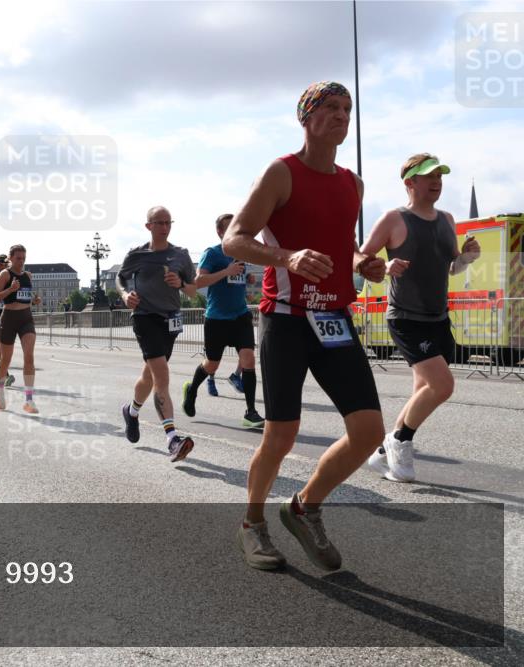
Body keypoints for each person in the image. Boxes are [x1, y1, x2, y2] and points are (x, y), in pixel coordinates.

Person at [223, 81, 387, 571]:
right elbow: (235, 239)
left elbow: (341, 244)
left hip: (335, 319)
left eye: (347, 108)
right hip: (286, 320)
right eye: (331, 108)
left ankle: (305, 507)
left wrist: (363, 262)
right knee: (282, 435)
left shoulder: (353, 183)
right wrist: (286, 256)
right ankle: (252, 523)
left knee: (367, 432)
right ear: (306, 117)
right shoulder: (281, 172)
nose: (341, 115)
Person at [361, 154, 480, 483]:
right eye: (429, 175)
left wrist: (467, 258)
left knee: (423, 391)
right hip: (406, 318)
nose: (437, 180)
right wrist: (384, 267)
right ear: (410, 182)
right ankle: (400, 441)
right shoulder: (393, 219)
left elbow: (452, 265)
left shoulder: (447, 219)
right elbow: (361, 256)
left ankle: (384, 451)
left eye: (440, 174)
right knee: (443, 386)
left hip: (438, 318)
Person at [116, 206, 198, 462]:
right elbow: (120, 277)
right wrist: (124, 294)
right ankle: (172, 439)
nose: (164, 227)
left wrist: (181, 284)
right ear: (148, 226)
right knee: (162, 375)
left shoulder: (181, 255)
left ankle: (131, 411)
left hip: (170, 321)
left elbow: (193, 291)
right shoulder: (137, 254)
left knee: (149, 376)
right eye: (159, 223)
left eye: (168, 222)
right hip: (144, 317)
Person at [182, 213, 264, 428]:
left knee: (248, 359)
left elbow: (235, 279)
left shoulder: (240, 254)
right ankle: (192, 390)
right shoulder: (212, 253)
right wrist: (226, 271)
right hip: (217, 318)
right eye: (229, 228)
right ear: (220, 232)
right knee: (212, 364)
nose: (235, 231)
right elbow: (198, 282)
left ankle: (251, 413)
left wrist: (247, 278)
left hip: (240, 315)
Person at [0, 244, 42, 413]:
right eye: (18, 258)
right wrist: (10, 289)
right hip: (9, 319)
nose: (21, 262)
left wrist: (34, 300)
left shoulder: (28, 275)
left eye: (24, 258)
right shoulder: (5, 274)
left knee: (29, 356)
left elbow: (26, 297)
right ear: (11, 258)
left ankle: (29, 400)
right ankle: (0, 390)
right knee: (6, 359)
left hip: (26, 318)